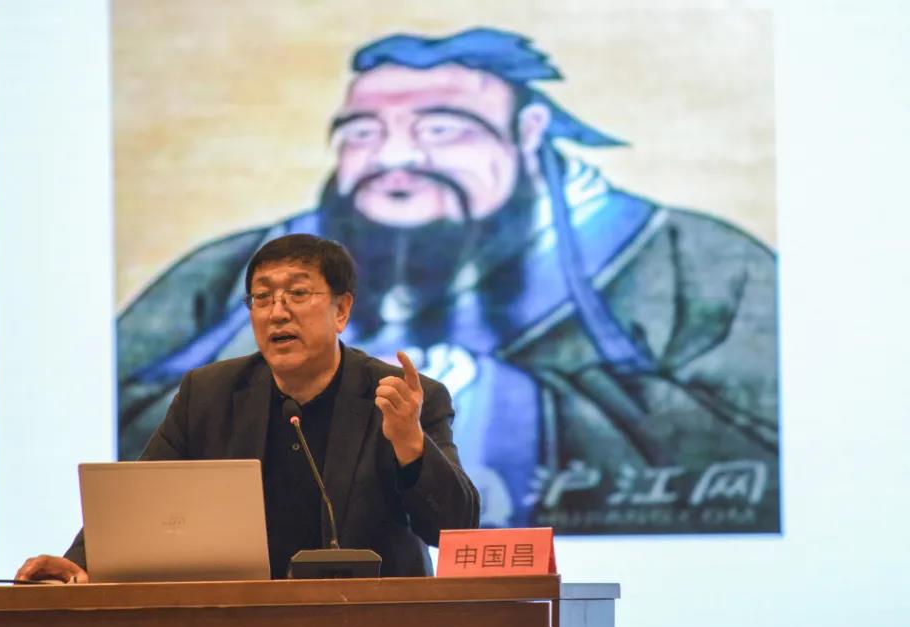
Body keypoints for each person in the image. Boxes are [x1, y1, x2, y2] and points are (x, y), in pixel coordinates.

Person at [116, 28, 779, 534]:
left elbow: (755, 450)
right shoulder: (227, 273)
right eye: (363, 131)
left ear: (528, 131)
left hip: (388, 620)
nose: (396, 155)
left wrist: (490, 399)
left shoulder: (684, 258)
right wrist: (82, 563)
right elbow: (141, 474)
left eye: (441, 128)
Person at [17, 233, 480, 583]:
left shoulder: (404, 398)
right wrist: (78, 564)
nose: (277, 312)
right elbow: (145, 498)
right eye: (262, 298)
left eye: (298, 294)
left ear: (341, 311)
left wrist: (410, 445)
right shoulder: (210, 394)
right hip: (248, 626)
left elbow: (455, 528)